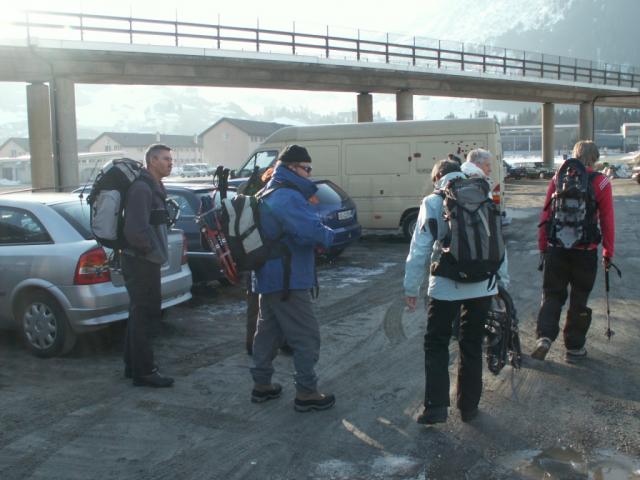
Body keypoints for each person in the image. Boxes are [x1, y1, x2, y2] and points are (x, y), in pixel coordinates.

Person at [404, 157, 509, 425]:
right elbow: (497, 242)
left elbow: (419, 250)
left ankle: (436, 407)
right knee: (471, 343)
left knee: (436, 342)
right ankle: (469, 406)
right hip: (483, 285)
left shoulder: (433, 202)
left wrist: (411, 288)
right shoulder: (483, 196)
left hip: (446, 287)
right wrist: (501, 283)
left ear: (437, 177)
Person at [249, 145, 337, 412]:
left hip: (269, 276)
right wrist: (329, 236)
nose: (309, 174)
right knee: (306, 336)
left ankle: (262, 385)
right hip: (288, 278)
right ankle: (307, 393)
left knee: (268, 332)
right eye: (306, 168)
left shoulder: (269, 190)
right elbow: (309, 230)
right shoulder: (287, 195)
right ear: (291, 168)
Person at [532, 140, 615, 363]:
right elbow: (607, 220)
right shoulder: (602, 182)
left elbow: (546, 215)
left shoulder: (558, 178)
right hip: (585, 250)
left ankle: (545, 338)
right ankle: (574, 347)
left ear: (575, 155)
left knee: (552, 294)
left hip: (556, 248)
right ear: (595, 158)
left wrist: (543, 246)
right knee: (579, 298)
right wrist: (608, 251)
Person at [121, 143, 174, 388]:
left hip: (142, 260)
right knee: (145, 315)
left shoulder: (153, 187)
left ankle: (133, 367)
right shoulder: (142, 189)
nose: (170, 163)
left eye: (170, 159)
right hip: (141, 262)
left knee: (138, 313)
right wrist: (150, 253)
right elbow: (135, 231)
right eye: (165, 159)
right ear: (152, 161)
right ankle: (145, 372)